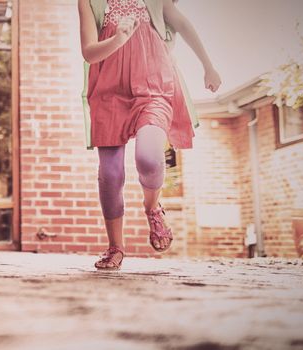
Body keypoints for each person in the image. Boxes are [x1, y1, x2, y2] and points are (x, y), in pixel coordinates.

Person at [78, 0, 220, 269]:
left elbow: (183, 24)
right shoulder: (89, 2)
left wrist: (208, 65)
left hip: (154, 86)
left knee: (149, 158)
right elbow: (89, 52)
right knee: (110, 175)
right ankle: (115, 247)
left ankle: (152, 207)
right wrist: (119, 39)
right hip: (109, 92)